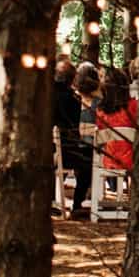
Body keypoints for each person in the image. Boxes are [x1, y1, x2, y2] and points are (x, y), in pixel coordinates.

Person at [55, 58, 92, 219]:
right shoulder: (74, 100)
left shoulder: (44, 95)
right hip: (66, 150)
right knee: (88, 164)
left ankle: (52, 199)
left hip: (45, 151)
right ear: (72, 79)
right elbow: (75, 128)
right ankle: (77, 204)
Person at [94, 67, 138, 171]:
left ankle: (115, 187)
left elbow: (100, 136)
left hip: (110, 162)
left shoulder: (100, 111)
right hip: (134, 161)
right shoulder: (134, 106)